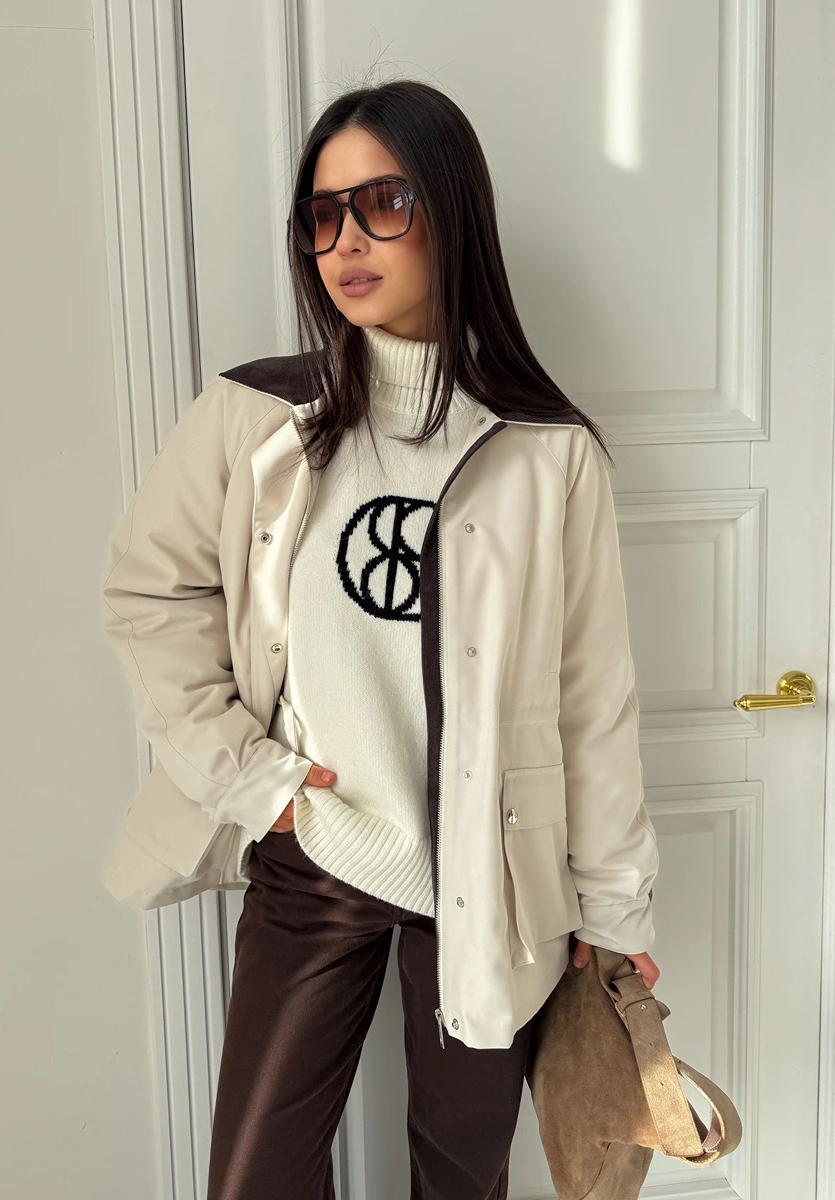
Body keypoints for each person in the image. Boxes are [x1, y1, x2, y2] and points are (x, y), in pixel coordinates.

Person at [100, 78, 660, 1200]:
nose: (346, 241)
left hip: (494, 875)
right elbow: (151, 596)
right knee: (254, 1179)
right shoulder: (256, 419)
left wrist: (613, 912)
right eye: (324, 214)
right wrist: (255, 780)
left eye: (383, 203)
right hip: (318, 851)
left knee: (463, 1179)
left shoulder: (548, 453)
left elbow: (591, 699)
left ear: (452, 212)